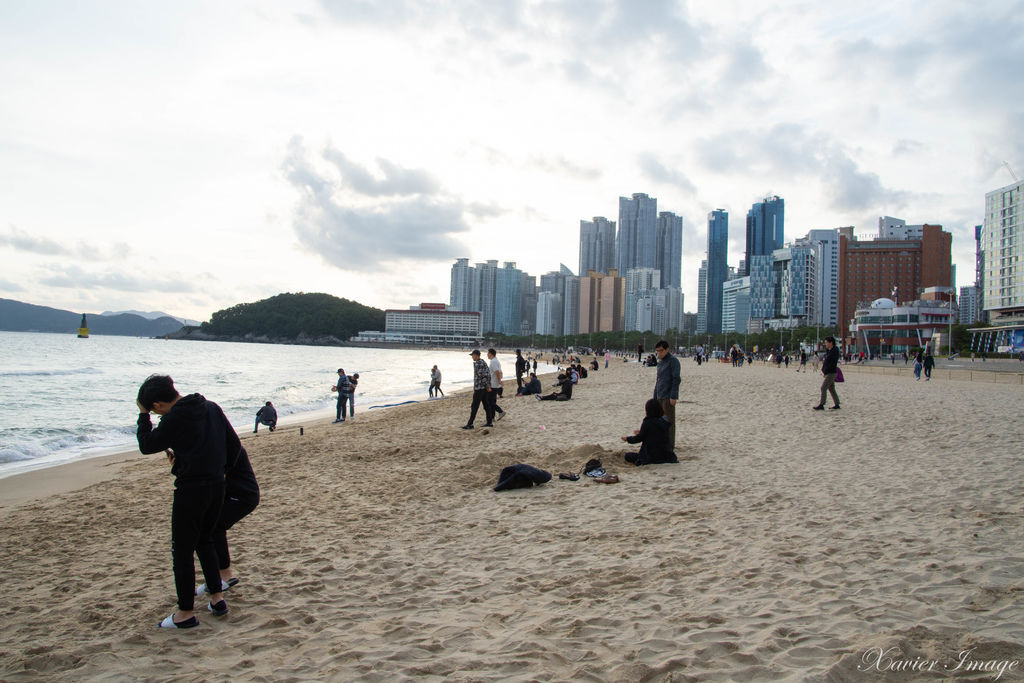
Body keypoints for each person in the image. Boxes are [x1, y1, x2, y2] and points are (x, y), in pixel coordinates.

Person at [135, 374, 233, 629]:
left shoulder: (173, 417)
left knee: (182, 551)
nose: (156, 416)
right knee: (206, 539)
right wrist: (218, 470)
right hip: (217, 484)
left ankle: (186, 613)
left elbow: (147, 445)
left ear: (157, 405)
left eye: (153, 411)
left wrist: (143, 416)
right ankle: (217, 598)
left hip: (191, 489)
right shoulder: (210, 407)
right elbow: (232, 445)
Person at [197, 445, 260, 596]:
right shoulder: (216, 441)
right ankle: (218, 577)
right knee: (211, 528)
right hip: (232, 494)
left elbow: (213, 473)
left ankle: (224, 575)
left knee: (214, 528)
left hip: (243, 496)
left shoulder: (223, 444)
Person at [621, 398, 679, 465]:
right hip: (667, 456)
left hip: (652, 457)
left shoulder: (648, 422)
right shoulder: (664, 421)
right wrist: (641, 433)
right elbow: (655, 434)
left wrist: (627, 439)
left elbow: (639, 438)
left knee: (628, 456)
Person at [653, 340, 681, 449]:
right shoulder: (660, 362)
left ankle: (669, 446)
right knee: (658, 421)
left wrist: (673, 396)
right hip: (659, 394)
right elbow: (658, 380)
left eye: (661, 351)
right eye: (657, 351)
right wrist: (654, 396)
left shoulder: (673, 361)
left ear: (667, 349)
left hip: (668, 396)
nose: (659, 353)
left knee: (669, 422)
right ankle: (660, 444)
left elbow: (676, 379)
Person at [462, 350, 494, 429]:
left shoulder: (478, 363)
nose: (472, 357)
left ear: (476, 355)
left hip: (479, 388)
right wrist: (487, 385)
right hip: (483, 388)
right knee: (486, 405)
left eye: (473, 355)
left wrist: (487, 386)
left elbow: (481, 376)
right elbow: (488, 374)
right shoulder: (483, 362)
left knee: (474, 406)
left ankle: (470, 424)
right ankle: (489, 422)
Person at [813, 336, 841, 410]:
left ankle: (822, 404)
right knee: (831, 388)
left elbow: (832, 363)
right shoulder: (829, 350)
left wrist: (826, 371)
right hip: (829, 372)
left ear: (831, 342)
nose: (825, 344)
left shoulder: (834, 351)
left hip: (831, 372)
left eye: (826, 342)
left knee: (823, 387)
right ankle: (837, 404)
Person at [487, 348, 505, 421]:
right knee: (493, 401)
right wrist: (500, 380)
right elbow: (501, 372)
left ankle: (501, 411)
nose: (487, 355)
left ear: (491, 354)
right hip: (495, 384)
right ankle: (492, 417)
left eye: (488, 353)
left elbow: (497, 372)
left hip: (493, 384)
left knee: (490, 402)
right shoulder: (496, 361)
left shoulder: (493, 361)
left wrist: (499, 380)